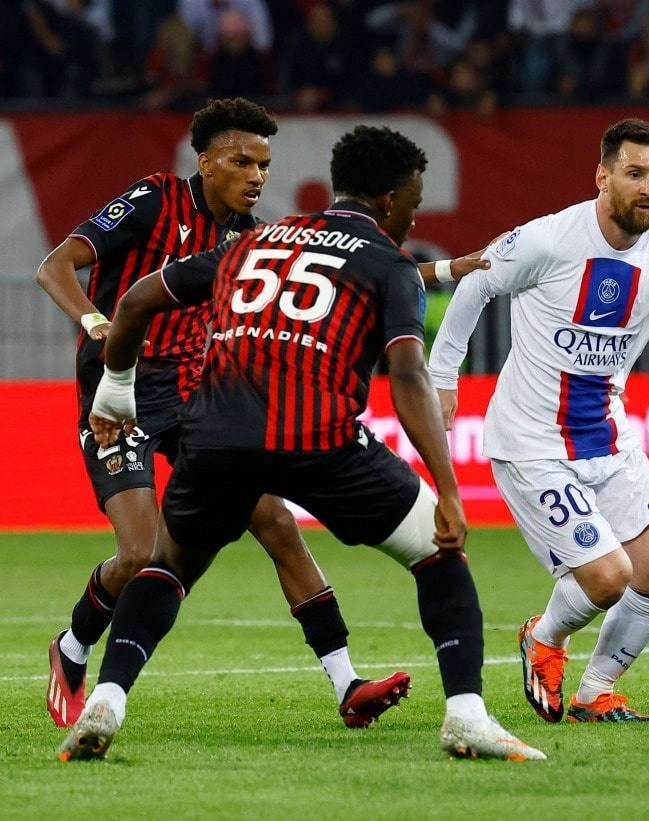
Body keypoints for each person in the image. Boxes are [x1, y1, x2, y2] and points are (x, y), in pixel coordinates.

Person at [57, 124, 544, 763]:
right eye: (415, 203)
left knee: (167, 564)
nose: (413, 215)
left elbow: (138, 299)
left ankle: (107, 700)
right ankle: (467, 716)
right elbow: (407, 374)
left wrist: (114, 390)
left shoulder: (256, 240)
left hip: (215, 436)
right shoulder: (388, 261)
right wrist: (448, 487)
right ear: (391, 201)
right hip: (318, 438)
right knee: (437, 551)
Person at [36, 98, 409, 733]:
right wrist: (96, 322)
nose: (256, 176)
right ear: (206, 163)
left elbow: (336, 279)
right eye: (242, 162)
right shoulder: (154, 199)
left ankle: (347, 682)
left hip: (193, 393)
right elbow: (55, 266)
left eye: (264, 165)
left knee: (275, 519)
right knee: (139, 554)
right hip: (115, 397)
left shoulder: (250, 237)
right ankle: (73, 646)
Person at [428, 118, 649, 724]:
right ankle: (543, 638)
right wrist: (443, 375)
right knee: (608, 578)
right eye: (634, 174)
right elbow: (475, 285)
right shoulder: (549, 239)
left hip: (608, 437)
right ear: (602, 176)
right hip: (531, 443)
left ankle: (595, 692)